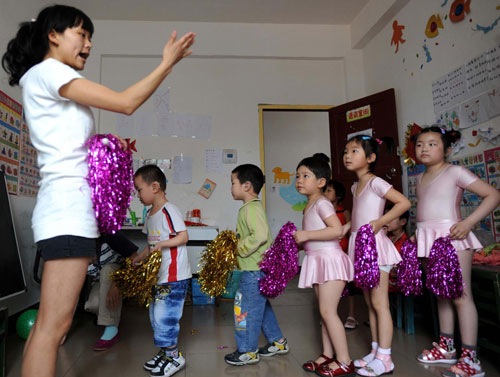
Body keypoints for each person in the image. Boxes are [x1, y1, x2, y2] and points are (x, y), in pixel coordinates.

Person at [1, 5, 194, 376]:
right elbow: (125, 102)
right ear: (53, 36)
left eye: (90, 37)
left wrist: (104, 144)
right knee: (52, 328)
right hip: (66, 211)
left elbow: (67, 147)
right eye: (81, 34)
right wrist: (166, 63)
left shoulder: (46, 78)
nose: (88, 44)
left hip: (69, 210)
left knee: (48, 327)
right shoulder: (49, 71)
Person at [412, 126, 500, 377]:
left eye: (431, 144)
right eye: (420, 144)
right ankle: (446, 348)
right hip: (428, 238)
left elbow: (493, 195)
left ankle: (470, 359)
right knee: (441, 294)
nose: (424, 148)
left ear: (447, 149)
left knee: (461, 295)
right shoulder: (419, 178)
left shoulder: (455, 172)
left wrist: (468, 223)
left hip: (453, 238)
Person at [343, 135, 411, 376]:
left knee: (381, 303)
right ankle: (374, 351)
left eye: (354, 151)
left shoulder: (375, 182)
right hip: (360, 247)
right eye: (346, 151)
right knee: (370, 302)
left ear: (370, 158)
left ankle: (386, 357)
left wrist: (380, 222)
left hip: (376, 248)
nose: (347, 156)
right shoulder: (355, 186)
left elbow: (404, 203)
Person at [294, 156, 355, 377]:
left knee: (328, 311)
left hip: (330, 260)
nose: (299, 180)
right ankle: (328, 355)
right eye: (298, 176)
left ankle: (345, 361)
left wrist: (306, 235)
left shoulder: (322, 203)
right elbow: (313, 238)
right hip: (318, 259)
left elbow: (336, 230)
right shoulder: (309, 204)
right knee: (324, 312)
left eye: (305, 176)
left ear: (321, 182)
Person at [224, 164, 289, 366]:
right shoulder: (251, 207)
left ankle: (248, 351)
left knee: (244, 310)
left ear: (246, 186)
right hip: (254, 270)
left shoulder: (250, 209)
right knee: (260, 307)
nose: (231, 188)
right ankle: (277, 342)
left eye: (233, 183)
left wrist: (238, 247)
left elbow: (259, 236)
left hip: (253, 271)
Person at [131, 164, 191, 377]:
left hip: (173, 278)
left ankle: (175, 357)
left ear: (154, 187)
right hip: (159, 277)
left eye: (139, 189)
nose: (137, 194)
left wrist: (163, 245)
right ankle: (166, 352)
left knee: (166, 317)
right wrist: (139, 258)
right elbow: (150, 244)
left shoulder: (169, 210)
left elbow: (183, 237)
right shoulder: (150, 214)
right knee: (156, 317)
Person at [84, 232, 138, 351]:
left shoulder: (111, 235)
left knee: (108, 269)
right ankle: (109, 313)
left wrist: (116, 284)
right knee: (92, 306)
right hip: (100, 282)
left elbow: (135, 260)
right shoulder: (78, 241)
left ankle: (111, 328)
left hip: (119, 279)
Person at [325, 179, 359, 330]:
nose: (325, 193)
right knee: (329, 285)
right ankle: (330, 315)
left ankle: (351, 315)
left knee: (349, 286)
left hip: (343, 253)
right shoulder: (323, 212)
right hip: (327, 253)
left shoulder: (344, 212)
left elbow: (351, 229)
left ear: (338, 195)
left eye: (328, 191)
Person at [382, 204, 409, 293]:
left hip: (398, 282)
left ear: (403, 222)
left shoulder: (406, 243)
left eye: (391, 219)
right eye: (385, 217)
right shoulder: (387, 238)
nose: (386, 221)